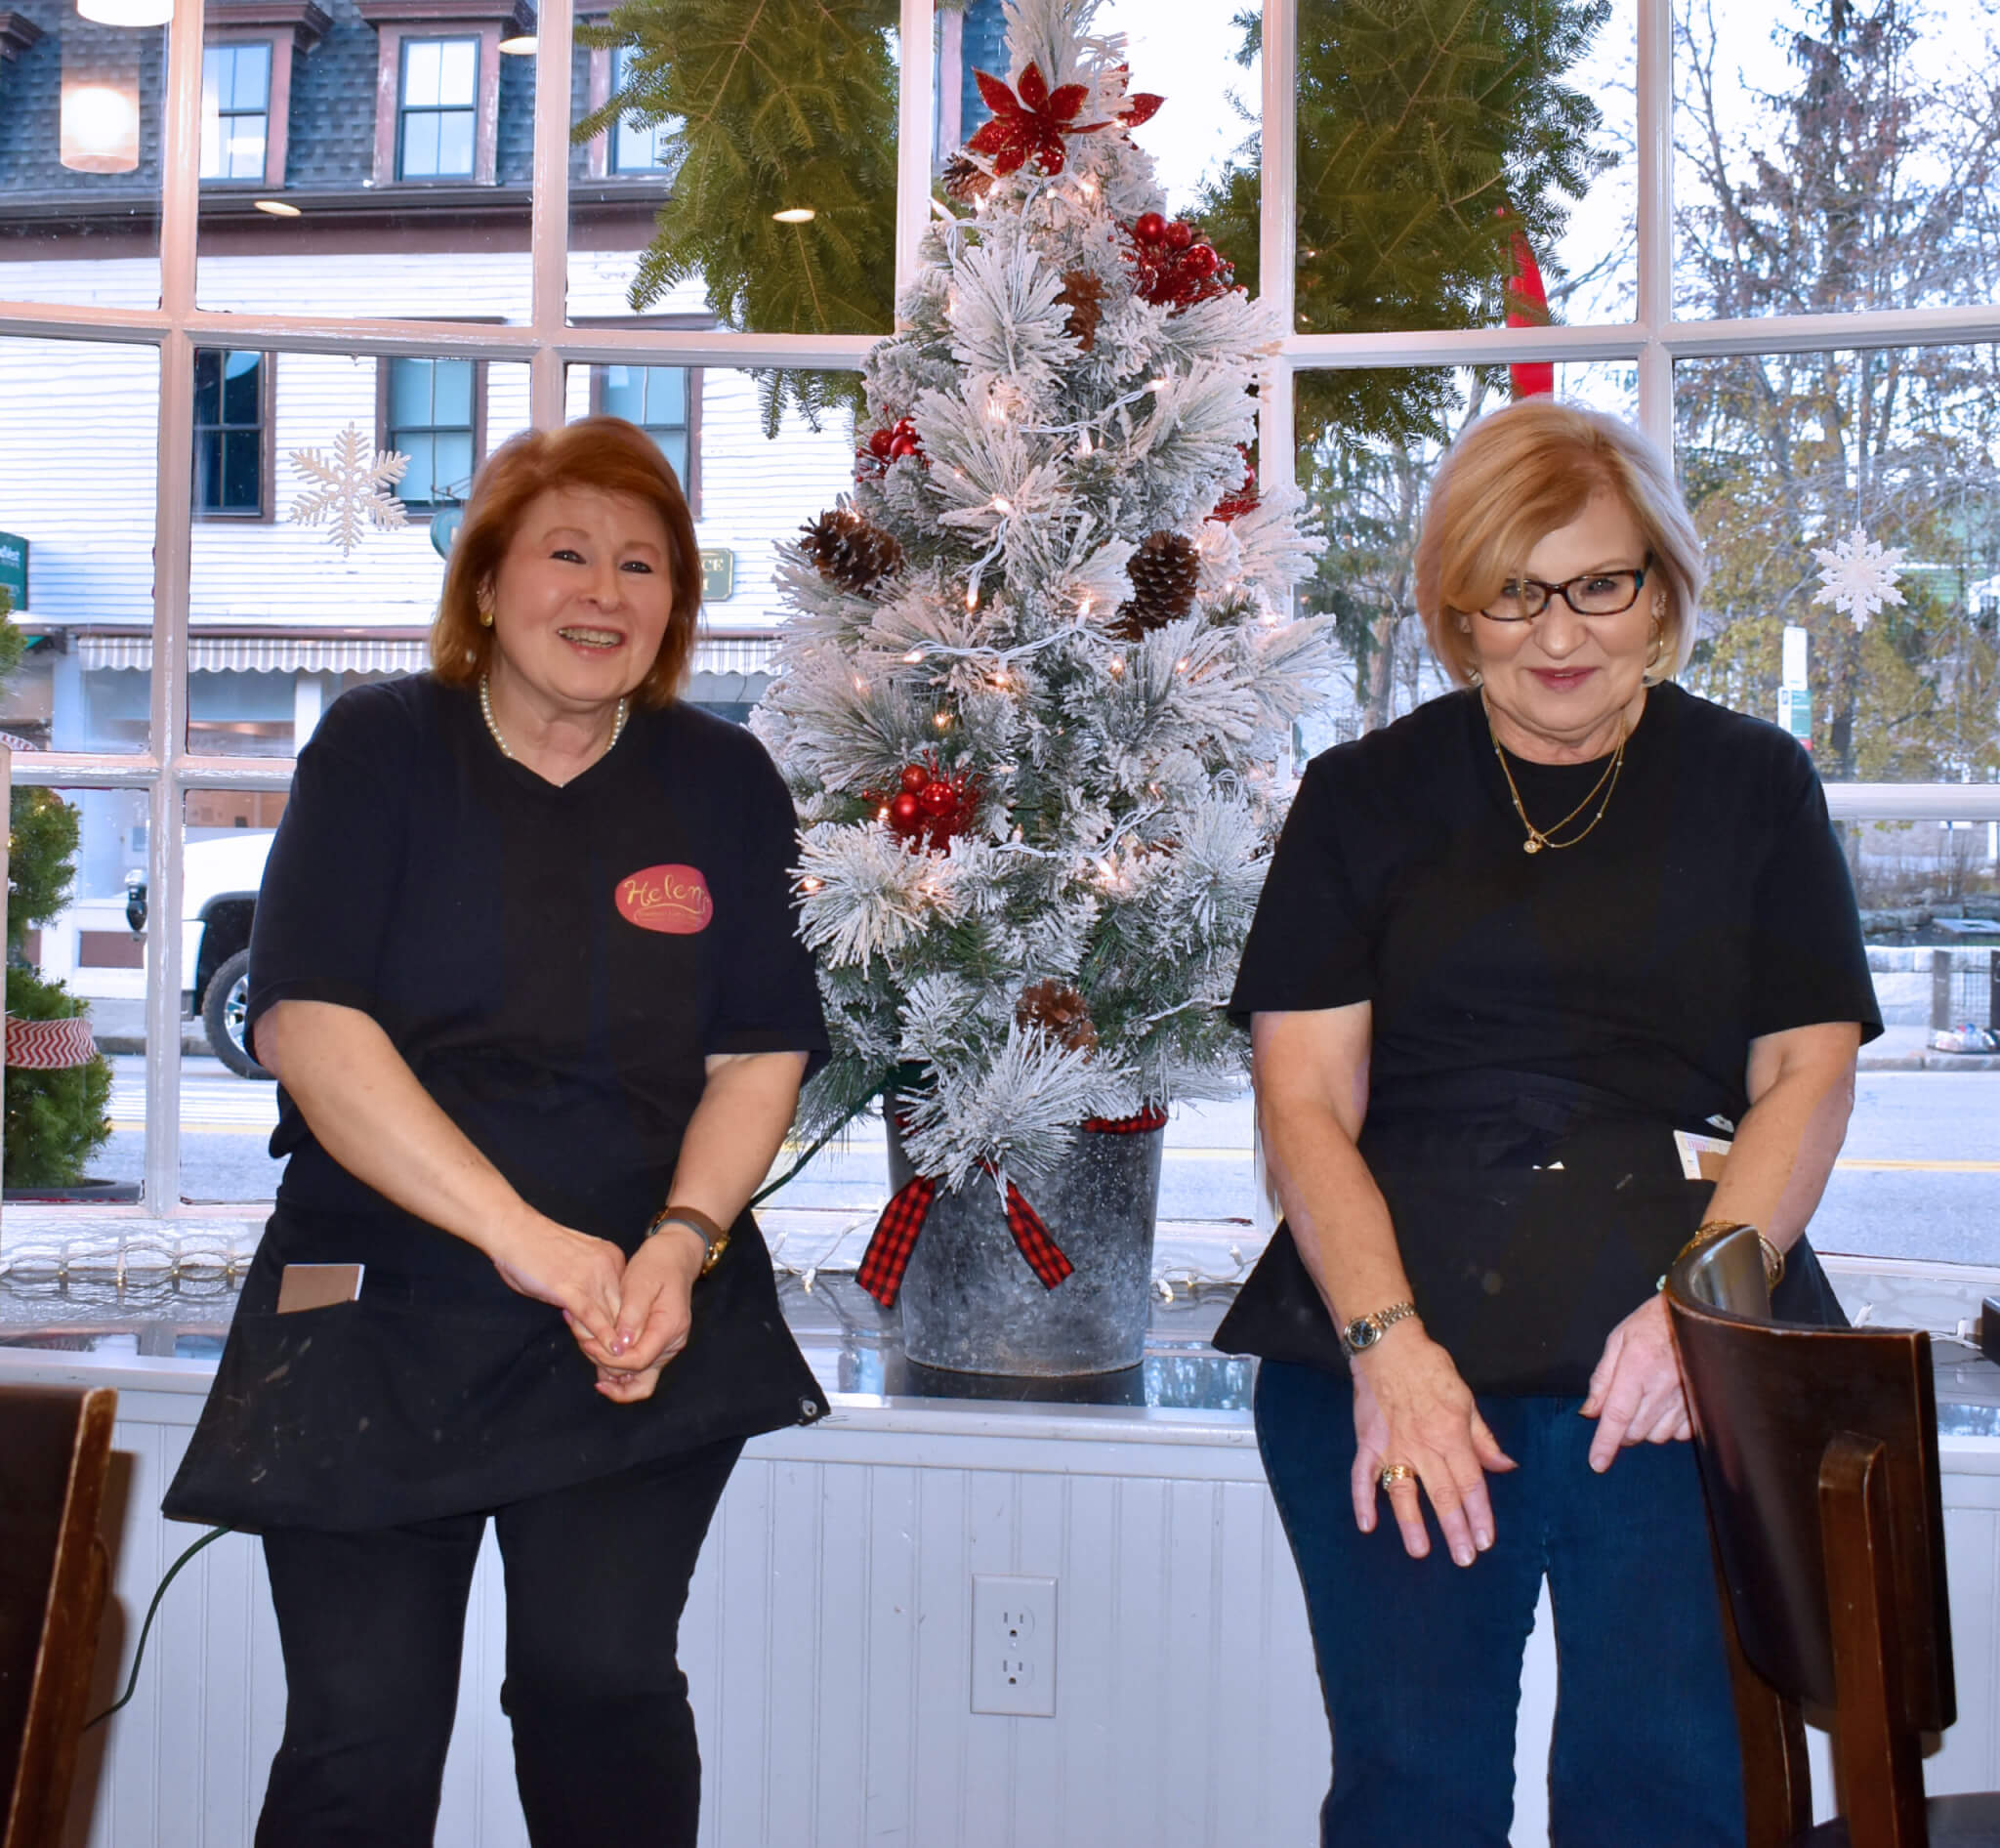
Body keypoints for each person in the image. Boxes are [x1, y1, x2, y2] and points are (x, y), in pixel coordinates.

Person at [1215, 398, 1881, 1847]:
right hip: (1394, 1346)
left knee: (1668, 1795)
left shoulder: (1757, 787)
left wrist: (1700, 1315)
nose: (1560, 631)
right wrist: (1388, 1356)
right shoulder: (1362, 798)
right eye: (1514, 592)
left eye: (1601, 583)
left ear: (1662, 592)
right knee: (1415, 1797)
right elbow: (1303, 1108)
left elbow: (1807, 1083)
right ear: (1460, 607)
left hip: (1679, 1355)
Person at [164, 416, 831, 1848]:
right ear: (483, 586)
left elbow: (760, 1050)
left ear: (675, 606)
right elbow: (308, 1027)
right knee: (363, 1736)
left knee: (600, 1689)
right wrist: (526, 1242)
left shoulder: (722, 782)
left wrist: (681, 1243)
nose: (605, 594)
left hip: (639, 1318)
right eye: (568, 554)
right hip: (377, 1311)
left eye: (642, 565)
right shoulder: (378, 752)